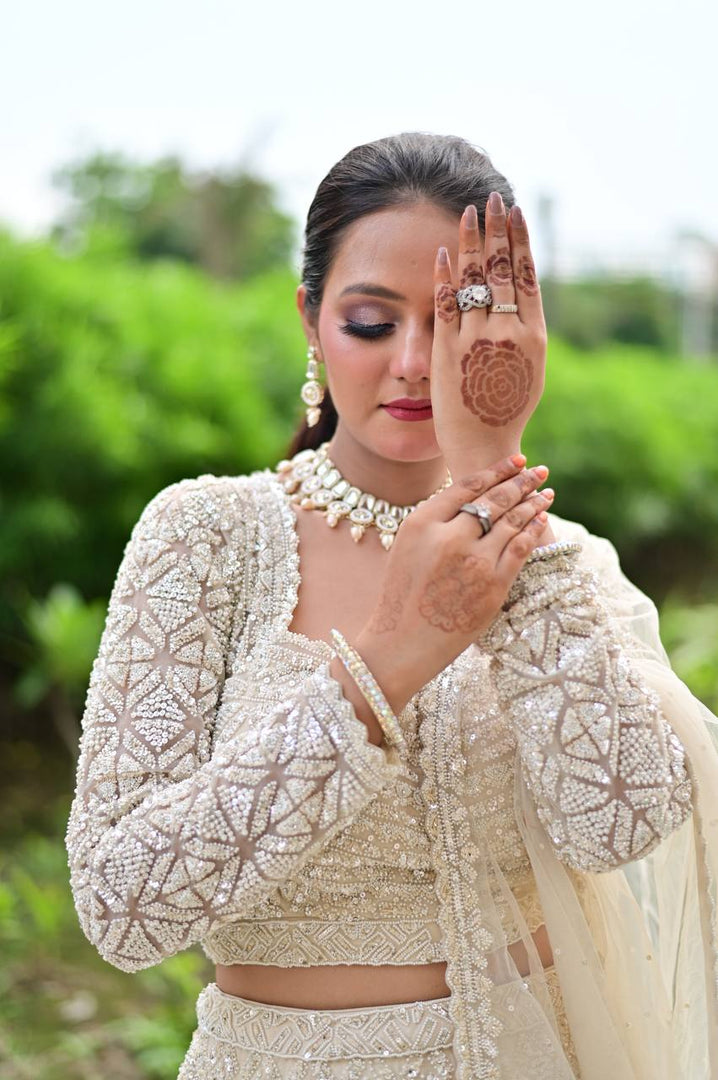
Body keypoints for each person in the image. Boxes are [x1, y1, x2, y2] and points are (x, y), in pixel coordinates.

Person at [65, 132, 718, 1079]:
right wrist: (388, 663)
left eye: (454, 324)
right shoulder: (210, 537)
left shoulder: (550, 557)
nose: (414, 362)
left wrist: (494, 481)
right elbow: (121, 907)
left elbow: (615, 824)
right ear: (311, 319)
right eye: (372, 323)